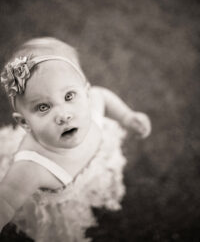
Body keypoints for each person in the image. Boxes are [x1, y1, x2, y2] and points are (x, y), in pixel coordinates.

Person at [0, 37, 151, 242]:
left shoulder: (92, 102)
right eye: (43, 107)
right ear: (25, 123)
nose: (63, 115)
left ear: (85, 93)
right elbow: (6, 201)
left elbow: (104, 96)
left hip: (92, 169)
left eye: (69, 96)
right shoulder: (31, 166)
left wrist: (127, 116)